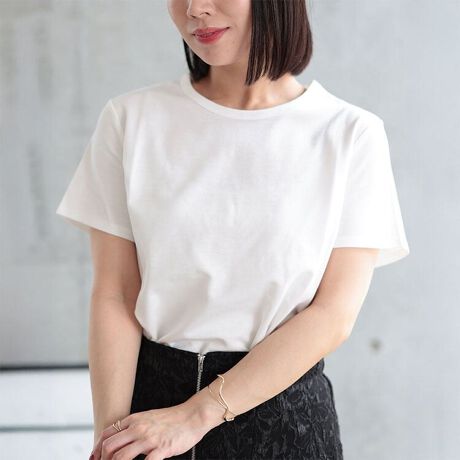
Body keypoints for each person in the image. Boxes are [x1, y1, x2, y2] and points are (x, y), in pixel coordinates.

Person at [55, 1, 410, 459]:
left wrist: (193, 416)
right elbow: (116, 294)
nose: (195, 9)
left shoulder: (350, 134)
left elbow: (332, 314)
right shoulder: (130, 120)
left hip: (284, 421)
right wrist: (112, 439)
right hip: (147, 416)